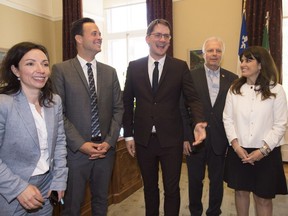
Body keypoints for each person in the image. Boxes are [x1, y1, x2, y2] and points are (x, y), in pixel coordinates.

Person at [122, 18, 207, 216]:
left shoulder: (179, 67)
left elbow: (192, 99)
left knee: (172, 189)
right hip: (144, 140)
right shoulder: (134, 67)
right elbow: (126, 103)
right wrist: (128, 135)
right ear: (147, 39)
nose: (162, 40)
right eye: (158, 35)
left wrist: (199, 122)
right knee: (150, 188)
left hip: (171, 140)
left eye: (166, 36)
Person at [51, 17, 123, 216]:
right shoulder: (61, 70)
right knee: (71, 207)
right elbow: (58, 113)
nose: (100, 37)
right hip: (75, 154)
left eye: (100, 34)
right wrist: (81, 144)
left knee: (101, 203)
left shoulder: (110, 73)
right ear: (79, 39)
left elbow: (119, 109)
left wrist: (108, 143)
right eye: (94, 33)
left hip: (105, 153)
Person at [0, 42, 68, 215]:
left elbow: (59, 143)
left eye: (45, 64)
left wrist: (60, 180)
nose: (41, 69)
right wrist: (19, 188)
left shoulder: (55, 102)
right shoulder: (4, 104)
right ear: (15, 70)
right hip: (10, 188)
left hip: (47, 184)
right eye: (30, 63)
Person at [223, 46, 288, 216]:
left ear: (261, 64)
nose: (243, 64)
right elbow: (227, 119)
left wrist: (263, 150)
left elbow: (280, 124)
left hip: (267, 153)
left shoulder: (276, 90)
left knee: (263, 198)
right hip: (239, 151)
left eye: (248, 60)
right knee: (241, 192)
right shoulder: (234, 89)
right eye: (242, 60)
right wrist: (236, 146)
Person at [183, 37, 238, 216]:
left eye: (218, 51)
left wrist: (233, 141)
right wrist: (185, 137)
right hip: (196, 139)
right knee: (194, 181)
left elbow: (235, 112)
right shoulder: (190, 76)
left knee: (217, 182)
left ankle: (214, 212)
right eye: (210, 50)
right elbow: (182, 109)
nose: (214, 54)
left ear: (222, 54)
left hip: (220, 139)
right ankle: (195, 212)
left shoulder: (233, 79)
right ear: (203, 54)